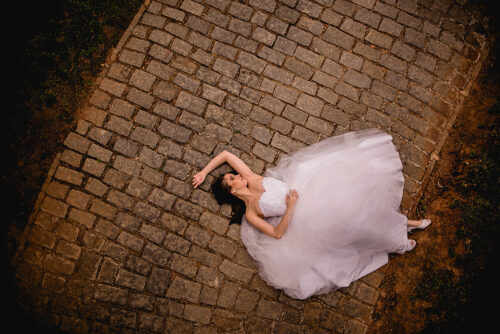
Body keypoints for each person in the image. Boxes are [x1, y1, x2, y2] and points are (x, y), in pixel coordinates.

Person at [192, 128, 431, 299]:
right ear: (233, 190)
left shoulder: (253, 177)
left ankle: (406, 224)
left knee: (359, 204)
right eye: (232, 178)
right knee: (355, 221)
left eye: (233, 173)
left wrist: (204, 172)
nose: (237, 174)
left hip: (313, 188)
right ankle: (398, 241)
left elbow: (225, 154)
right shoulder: (252, 213)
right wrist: (291, 209)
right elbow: (276, 234)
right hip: (306, 215)